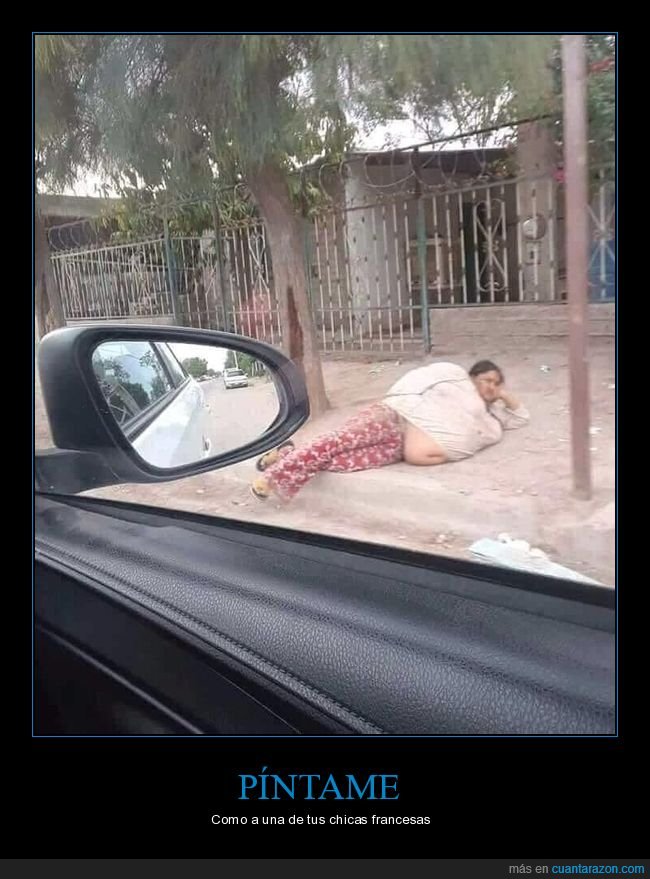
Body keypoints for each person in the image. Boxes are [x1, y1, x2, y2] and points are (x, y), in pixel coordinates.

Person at [251, 360, 529, 501]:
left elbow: (520, 418)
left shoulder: (491, 418)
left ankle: (286, 455)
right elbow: (422, 381)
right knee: (337, 442)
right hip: (395, 415)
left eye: (497, 383)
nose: (491, 387)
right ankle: (272, 479)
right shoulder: (455, 382)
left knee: (343, 462)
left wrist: (503, 395)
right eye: (487, 380)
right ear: (472, 378)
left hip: (401, 445)